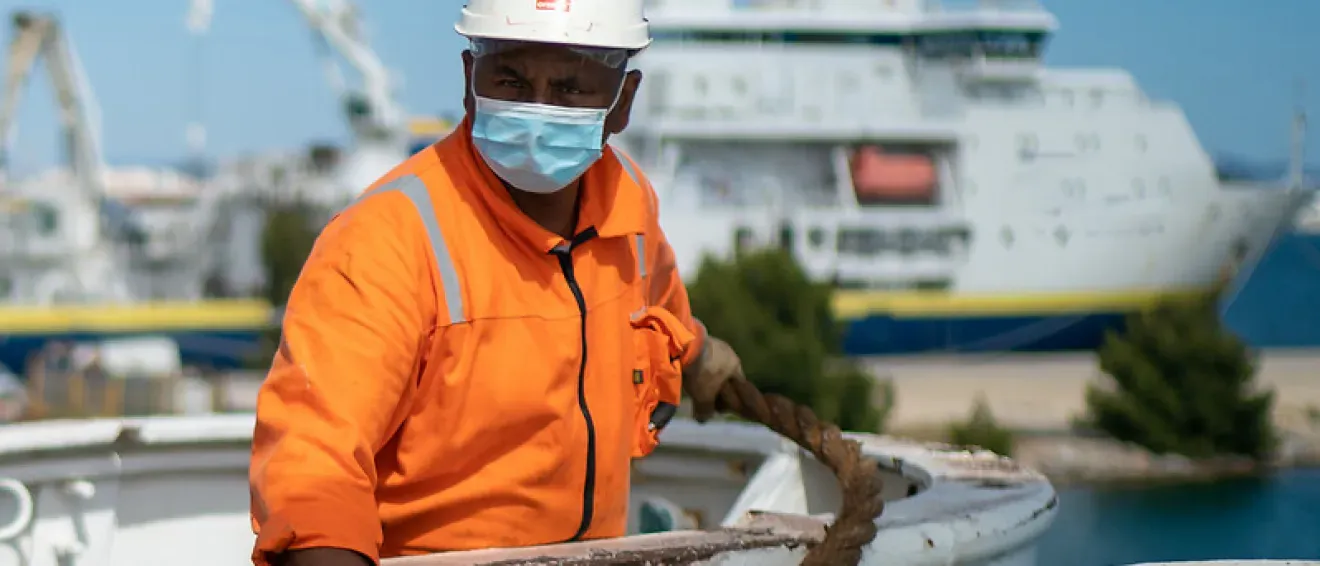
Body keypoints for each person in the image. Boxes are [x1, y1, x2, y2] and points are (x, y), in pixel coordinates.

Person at [248, 1, 748, 564]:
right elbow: (315, 466)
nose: (538, 109)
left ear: (622, 101)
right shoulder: (384, 240)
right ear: (469, 79)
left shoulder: (629, 205)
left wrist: (698, 356)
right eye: (510, 79)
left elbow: (656, 310)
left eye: (569, 87)